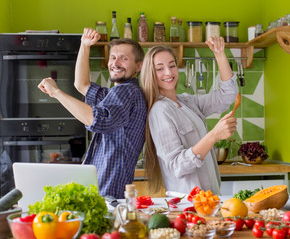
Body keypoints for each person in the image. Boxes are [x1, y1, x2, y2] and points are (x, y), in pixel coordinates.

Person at [38, 28, 147, 199]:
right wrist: (84, 45)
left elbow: (98, 120)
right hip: (104, 186)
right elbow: (81, 85)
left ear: (138, 66)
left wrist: (56, 93)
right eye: (113, 57)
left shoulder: (127, 92)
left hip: (108, 189)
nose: (115, 63)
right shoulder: (114, 95)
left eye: (124, 58)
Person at [140, 37, 238, 195]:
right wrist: (214, 135)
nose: (168, 72)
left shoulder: (187, 101)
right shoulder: (160, 110)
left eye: (172, 65)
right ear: (150, 73)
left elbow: (227, 95)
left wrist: (220, 55)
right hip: (188, 203)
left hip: (209, 198)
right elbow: (178, 166)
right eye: (159, 68)